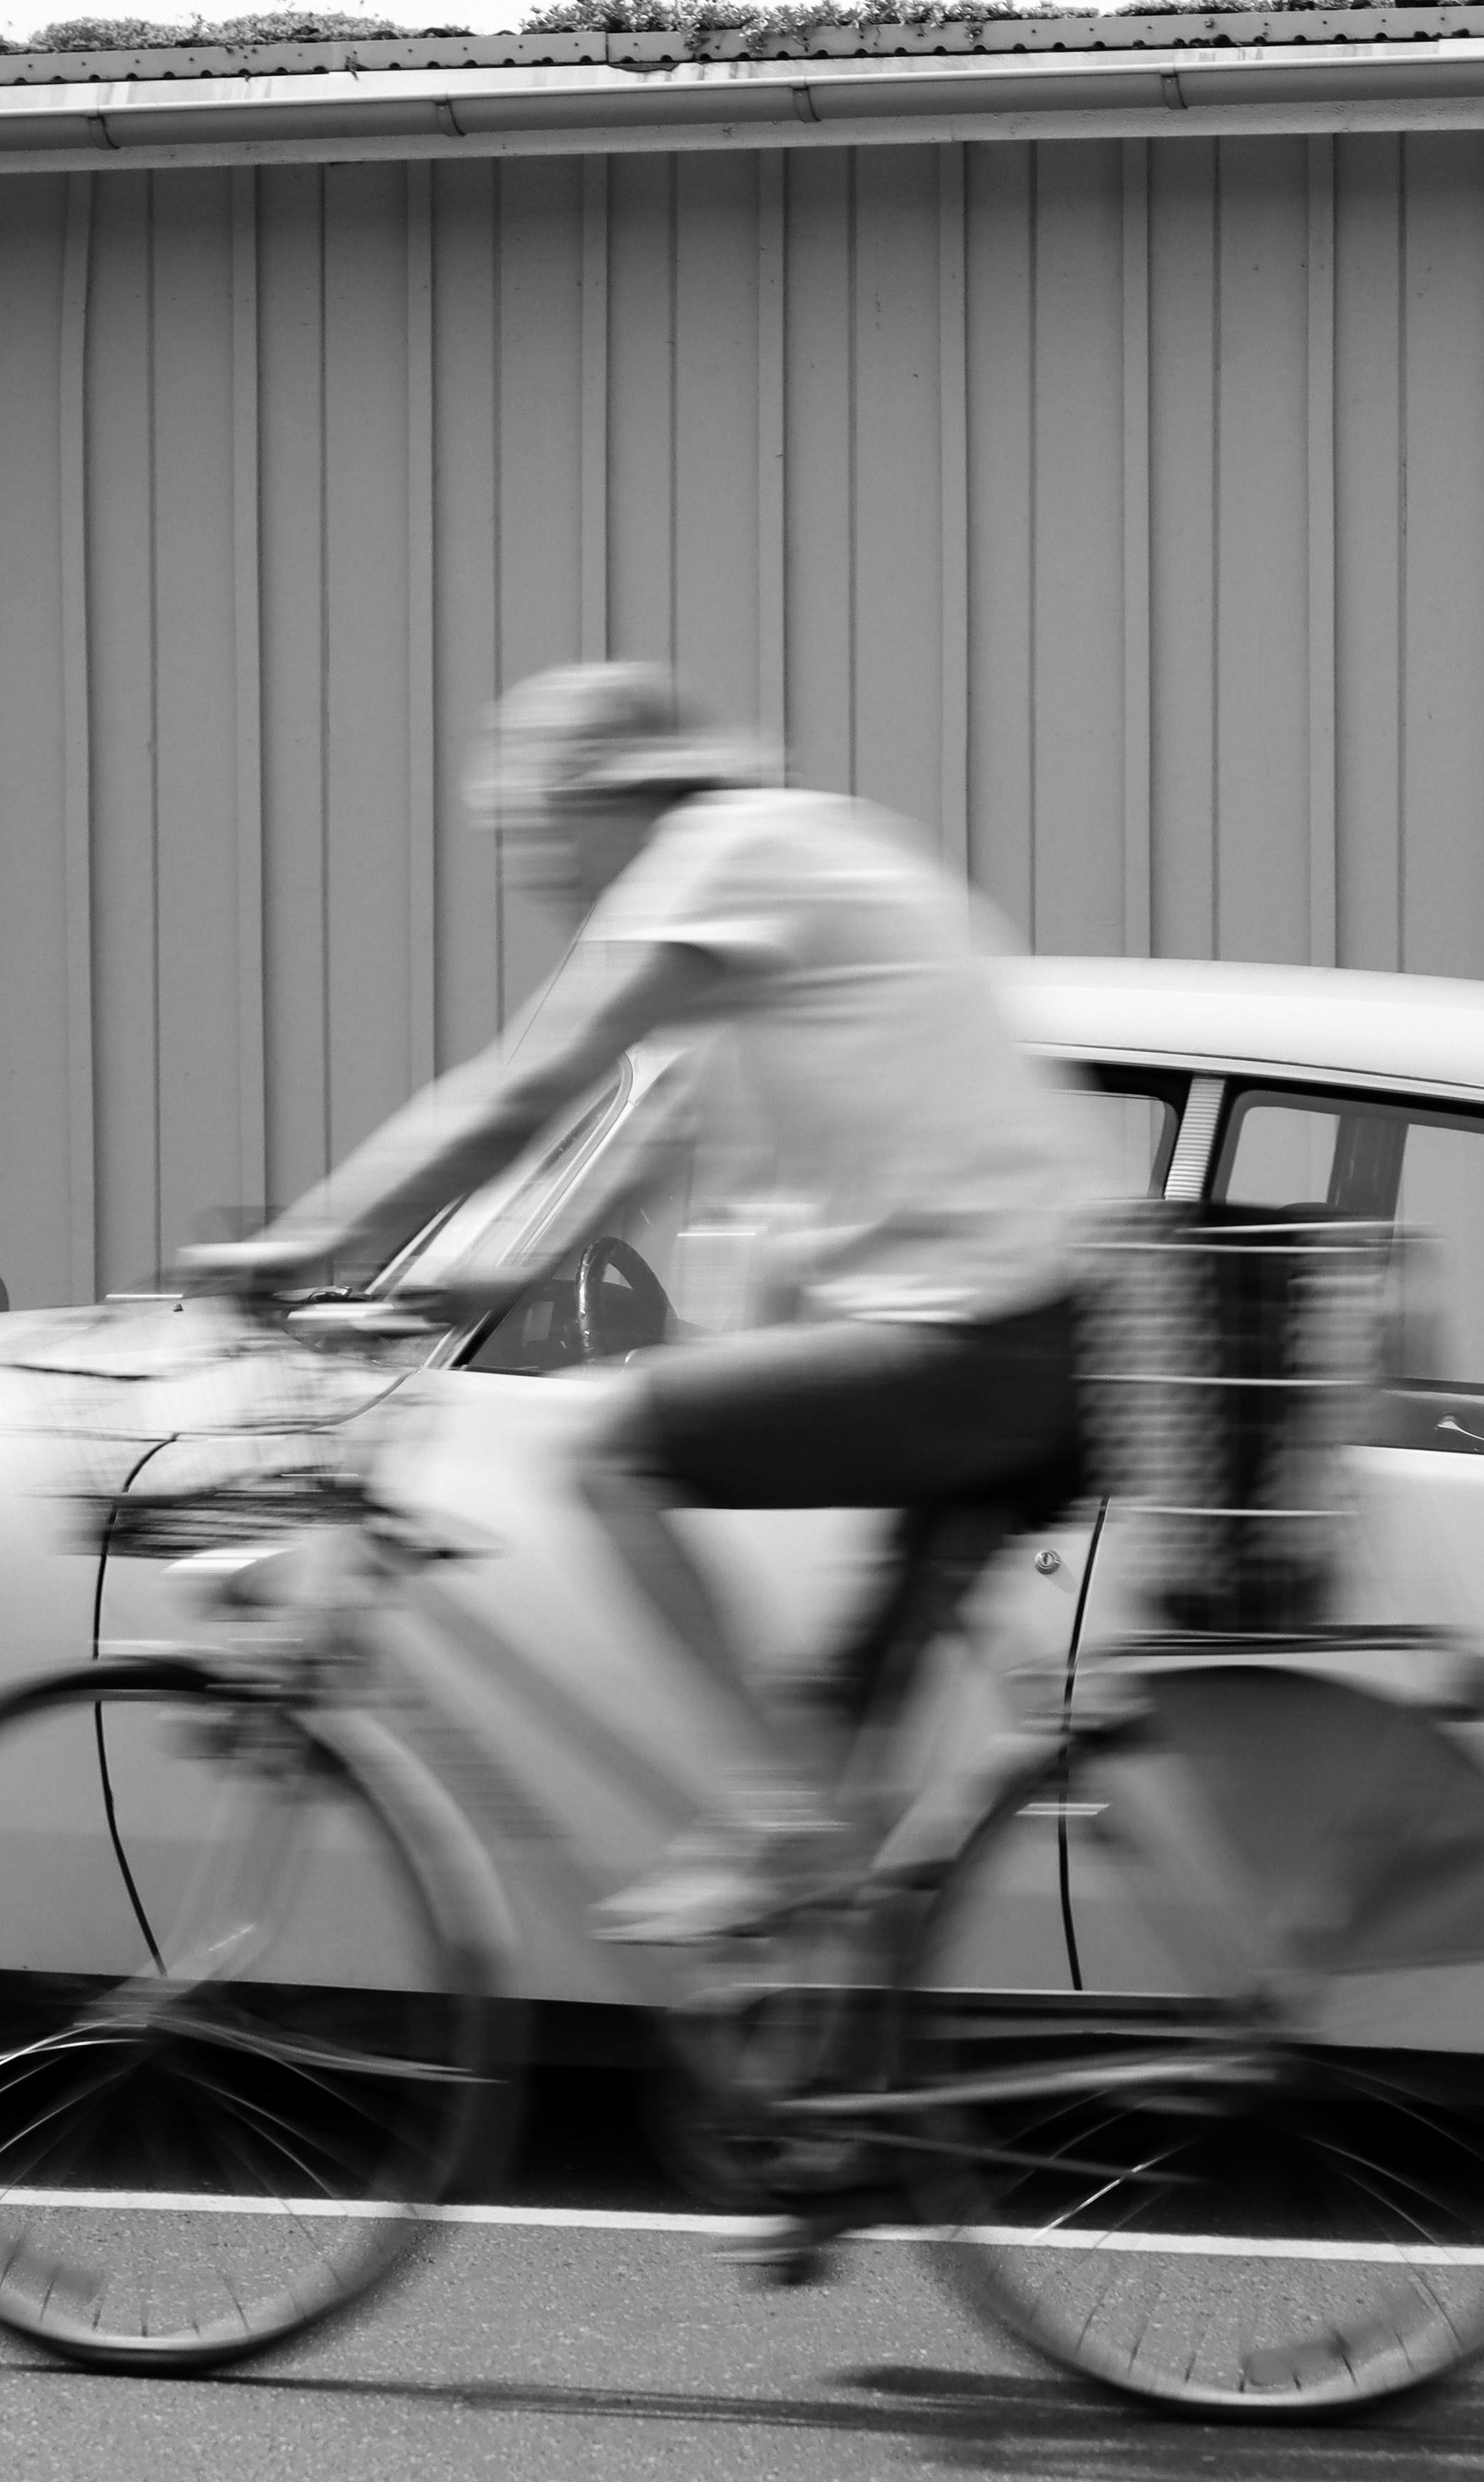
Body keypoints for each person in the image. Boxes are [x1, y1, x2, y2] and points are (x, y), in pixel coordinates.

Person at [182, 663, 1116, 1947]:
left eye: (535, 830)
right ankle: (821, 2056)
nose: (535, 872)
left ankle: (789, 1820)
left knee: (609, 1449)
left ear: (609, 800)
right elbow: (635, 1141)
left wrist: (300, 1248)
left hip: (989, 1344)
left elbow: (526, 1091)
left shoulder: (727, 853)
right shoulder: (784, 880)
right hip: (1042, 1337)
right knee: (844, 1759)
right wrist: (460, 1281)